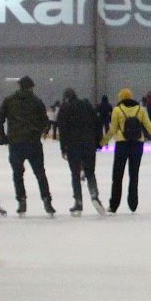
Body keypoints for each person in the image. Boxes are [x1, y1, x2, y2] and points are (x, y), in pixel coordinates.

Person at [0, 75, 54, 216]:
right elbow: (45, 122)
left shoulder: (9, 100)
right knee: (40, 174)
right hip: (33, 143)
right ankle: (47, 200)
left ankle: (21, 201)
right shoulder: (37, 101)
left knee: (17, 174)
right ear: (31, 87)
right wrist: (40, 131)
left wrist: (3, 137)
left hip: (16, 143)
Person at [105, 87, 151, 213]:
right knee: (134, 175)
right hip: (137, 145)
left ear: (121, 98)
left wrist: (102, 142)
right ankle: (133, 204)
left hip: (122, 144)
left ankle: (114, 205)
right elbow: (149, 126)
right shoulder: (140, 110)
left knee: (117, 176)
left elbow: (113, 129)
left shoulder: (117, 110)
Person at [56, 88, 104, 216]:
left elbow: (62, 129)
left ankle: (78, 201)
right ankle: (94, 195)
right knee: (90, 172)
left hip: (73, 146)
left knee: (75, 174)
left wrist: (63, 148)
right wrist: (98, 142)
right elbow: (97, 123)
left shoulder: (64, 109)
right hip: (89, 144)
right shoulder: (87, 106)